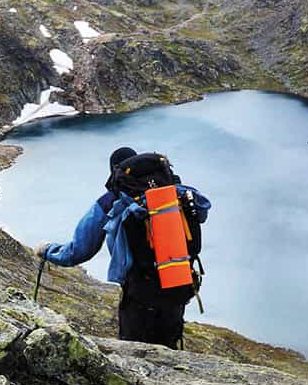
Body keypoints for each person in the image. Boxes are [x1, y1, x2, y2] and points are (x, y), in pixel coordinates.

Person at [35, 147, 210, 349]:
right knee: (169, 347)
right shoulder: (174, 193)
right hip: (177, 286)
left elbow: (79, 251)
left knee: (133, 355)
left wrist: (47, 250)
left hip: (139, 294)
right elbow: (202, 212)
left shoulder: (111, 201)